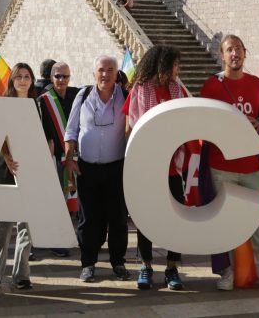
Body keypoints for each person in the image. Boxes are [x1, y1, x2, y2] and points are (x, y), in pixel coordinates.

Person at [200, 35, 259, 290]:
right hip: (221, 166)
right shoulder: (211, 86)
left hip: (251, 165)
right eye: (229, 50)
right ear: (221, 55)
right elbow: (204, 123)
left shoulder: (256, 83)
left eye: (238, 49)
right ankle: (227, 271)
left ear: (245, 52)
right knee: (224, 221)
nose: (235, 54)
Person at [124, 45, 187, 291]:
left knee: (177, 216)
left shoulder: (178, 89)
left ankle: (172, 268)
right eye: (174, 64)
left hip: (172, 165)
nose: (177, 69)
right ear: (163, 64)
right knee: (145, 218)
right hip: (148, 163)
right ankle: (146, 266)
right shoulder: (140, 89)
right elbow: (131, 125)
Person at [64, 55, 130, 283]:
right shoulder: (82, 97)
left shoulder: (125, 96)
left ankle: (118, 262)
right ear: (94, 74)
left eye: (110, 69)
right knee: (87, 219)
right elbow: (71, 130)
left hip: (116, 168)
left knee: (118, 218)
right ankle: (88, 263)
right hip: (87, 169)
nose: (105, 74)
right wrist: (70, 159)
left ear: (116, 73)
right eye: (101, 70)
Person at [0, 63, 37, 293]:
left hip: (31, 168)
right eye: (19, 77)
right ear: (12, 80)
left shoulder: (38, 105)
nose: (23, 80)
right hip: (6, 169)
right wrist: (6, 157)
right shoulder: (3, 105)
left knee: (26, 226)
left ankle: (21, 275)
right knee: (0, 227)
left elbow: (45, 135)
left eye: (27, 77)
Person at [37, 61, 78, 259]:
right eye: (58, 76)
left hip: (74, 157)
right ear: (51, 78)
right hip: (53, 157)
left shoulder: (75, 96)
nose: (61, 80)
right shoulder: (43, 100)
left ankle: (65, 237)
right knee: (54, 202)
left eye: (65, 76)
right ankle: (52, 240)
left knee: (71, 202)